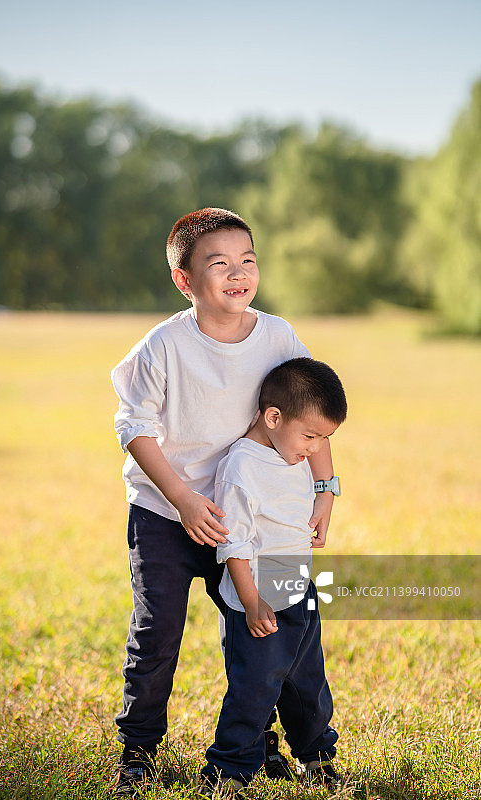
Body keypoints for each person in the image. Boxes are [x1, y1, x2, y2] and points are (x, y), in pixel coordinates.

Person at [110, 208, 338, 796]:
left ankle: (262, 737)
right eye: (219, 264)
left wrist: (323, 487)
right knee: (157, 632)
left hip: (252, 517)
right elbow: (132, 426)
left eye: (247, 261)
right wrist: (184, 499)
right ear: (185, 280)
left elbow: (310, 407)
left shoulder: (278, 336)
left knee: (266, 627)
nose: (238, 274)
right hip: (169, 513)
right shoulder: (163, 345)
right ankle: (137, 746)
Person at [200, 357, 347, 797]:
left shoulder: (291, 451)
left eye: (326, 438)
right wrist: (250, 603)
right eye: (310, 435)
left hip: (295, 587)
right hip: (257, 597)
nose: (316, 447)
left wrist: (321, 502)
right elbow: (235, 544)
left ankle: (316, 756)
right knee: (254, 688)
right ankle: (230, 770)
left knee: (308, 683)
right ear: (273, 417)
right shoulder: (242, 468)